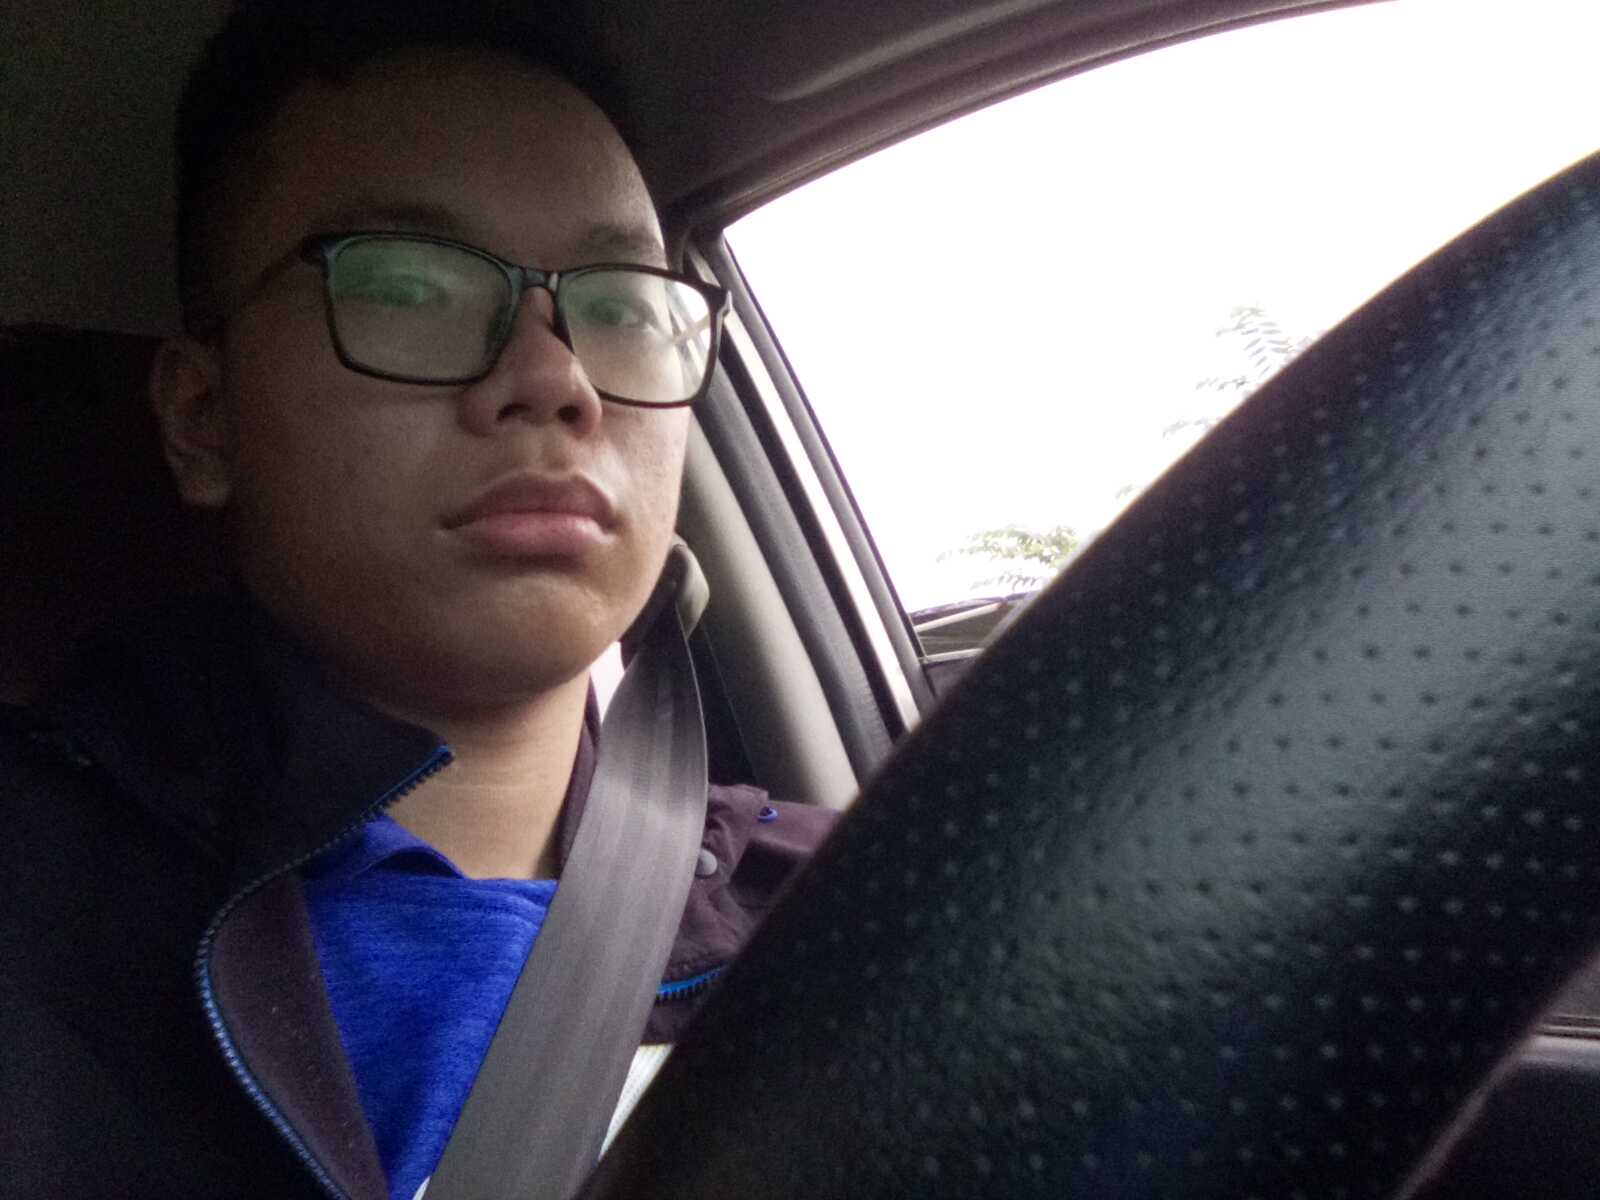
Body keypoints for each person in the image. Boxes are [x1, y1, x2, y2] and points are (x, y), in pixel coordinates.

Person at [0, 4, 835, 1197]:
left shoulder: (855, 905)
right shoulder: (37, 913)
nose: (555, 378)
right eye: (408, 286)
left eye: (616, 307)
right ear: (202, 418)